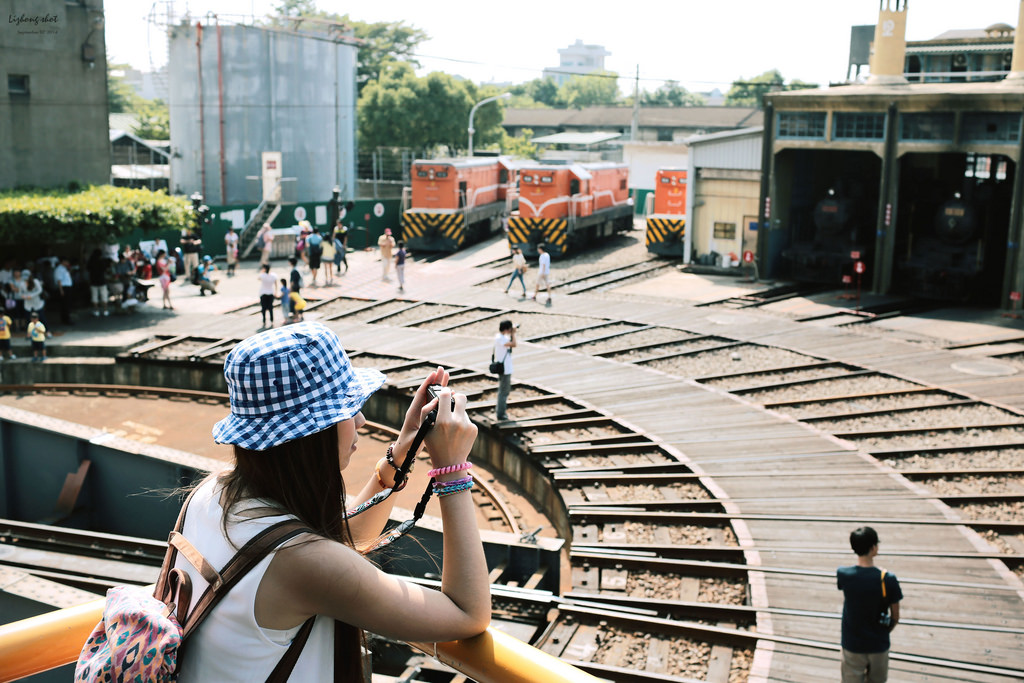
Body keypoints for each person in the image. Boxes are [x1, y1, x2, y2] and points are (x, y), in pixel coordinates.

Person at [169, 323, 488, 680]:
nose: (361, 420)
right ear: (311, 435)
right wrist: (452, 471)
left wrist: (402, 452)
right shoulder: (302, 562)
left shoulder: (213, 492)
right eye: (347, 409)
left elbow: (340, 543)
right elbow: (467, 614)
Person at [838, 526, 902, 683]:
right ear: (874, 547)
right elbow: (895, 616)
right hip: (878, 644)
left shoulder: (844, 574)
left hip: (852, 643)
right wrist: (884, 631)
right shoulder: (888, 579)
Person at [493, 319, 516, 421]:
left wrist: (511, 333)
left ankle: (500, 412)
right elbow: (514, 344)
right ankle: (500, 414)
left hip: (505, 368)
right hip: (505, 369)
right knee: (504, 391)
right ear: (507, 328)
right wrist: (514, 334)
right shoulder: (500, 338)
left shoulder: (502, 337)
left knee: (503, 391)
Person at [53, 258, 73, 325]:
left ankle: (67, 318)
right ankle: (65, 319)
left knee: (67, 304)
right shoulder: (59, 269)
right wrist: (61, 290)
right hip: (64, 288)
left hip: (67, 287)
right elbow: (59, 280)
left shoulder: (65, 268)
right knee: (64, 304)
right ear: (63, 261)